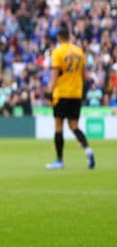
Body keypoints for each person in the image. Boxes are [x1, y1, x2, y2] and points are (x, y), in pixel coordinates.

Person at [46, 27, 96, 170]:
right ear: (69, 37)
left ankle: (59, 160)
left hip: (62, 93)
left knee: (58, 126)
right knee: (74, 126)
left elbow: (55, 74)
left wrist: (49, 93)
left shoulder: (58, 52)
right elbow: (82, 76)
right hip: (76, 93)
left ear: (59, 38)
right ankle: (88, 149)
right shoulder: (79, 52)